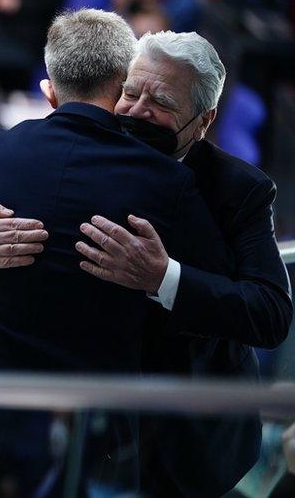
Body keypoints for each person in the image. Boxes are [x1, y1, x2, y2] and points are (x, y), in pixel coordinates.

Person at [0, 9, 236, 496]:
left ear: (49, 90)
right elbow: (218, 301)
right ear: (123, 86)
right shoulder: (169, 181)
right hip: (83, 434)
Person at [74, 31, 293, 495]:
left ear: (203, 120)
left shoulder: (240, 190)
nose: (135, 111)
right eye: (130, 93)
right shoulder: (81, 150)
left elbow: (270, 311)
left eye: (160, 101)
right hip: (81, 429)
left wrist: (163, 278)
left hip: (186, 441)